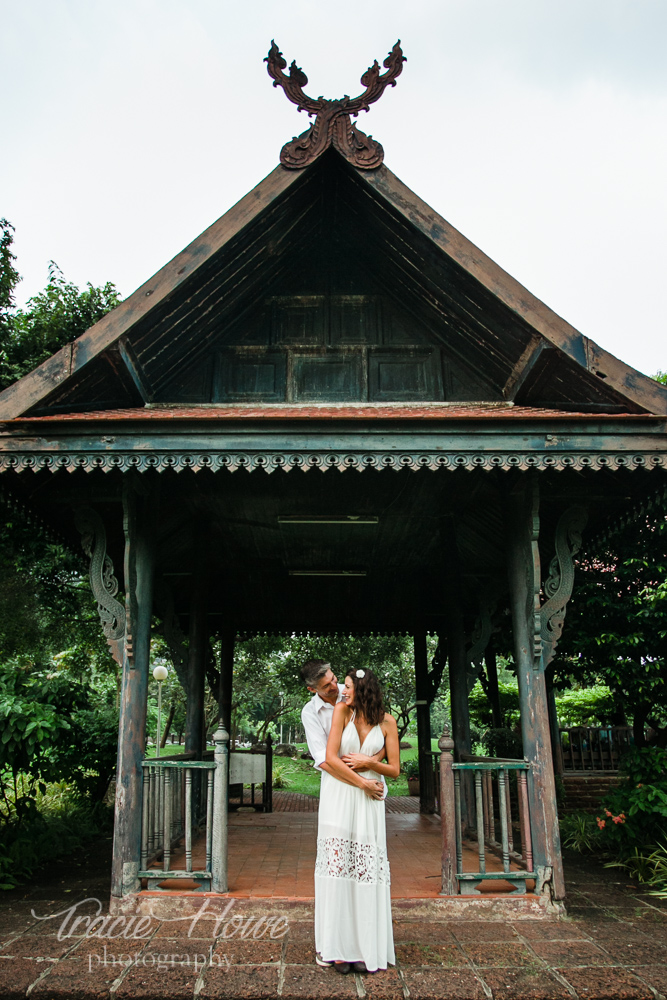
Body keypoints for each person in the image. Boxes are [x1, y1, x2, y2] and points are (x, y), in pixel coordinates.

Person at [314, 667, 400, 975]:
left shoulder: (388, 722)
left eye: (348, 687)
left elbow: (395, 770)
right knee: (339, 867)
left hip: (369, 804)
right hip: (341, 796)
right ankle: (338, 949)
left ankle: (365, 946)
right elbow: (332, 757)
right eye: (343, 686)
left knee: (365, 870)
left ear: (363, 690)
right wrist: (362, 780)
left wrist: (369, 763)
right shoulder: (341, 713)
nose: (343, 691)